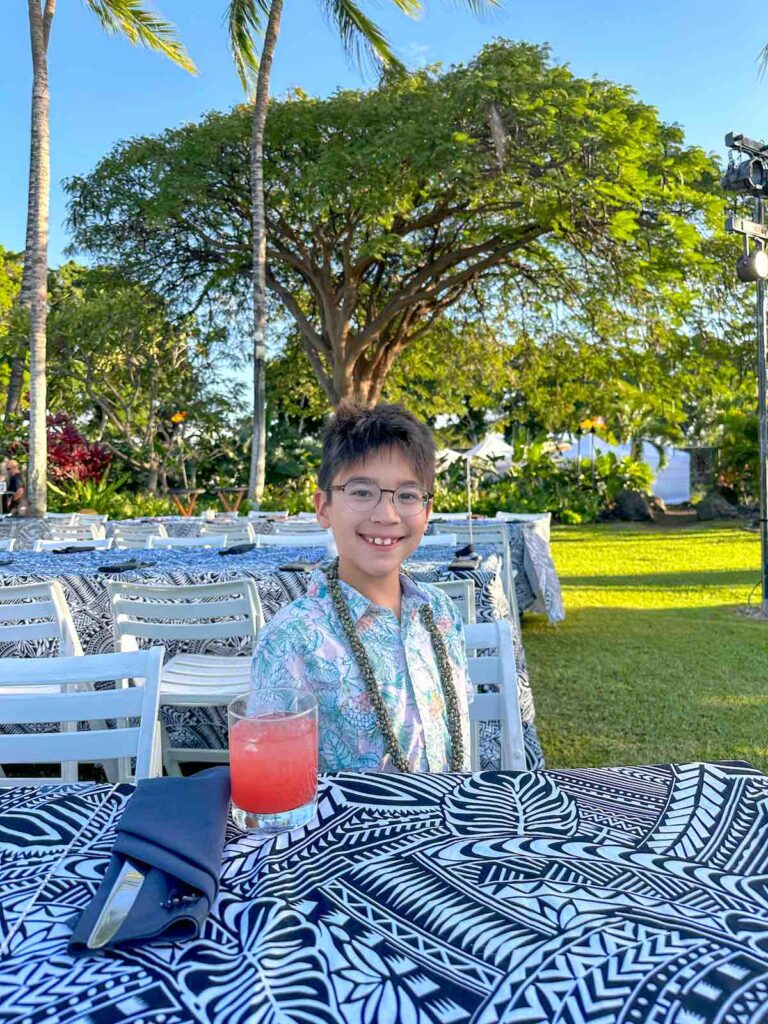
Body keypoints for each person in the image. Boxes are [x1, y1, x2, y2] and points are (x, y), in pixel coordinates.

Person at [250, 402, 471, 773]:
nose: (386, 514)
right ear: (324, 507)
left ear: (427, 512)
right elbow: (274, 780)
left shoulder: (440, 613)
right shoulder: (290, 639)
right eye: (362, 491)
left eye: (407, 495)